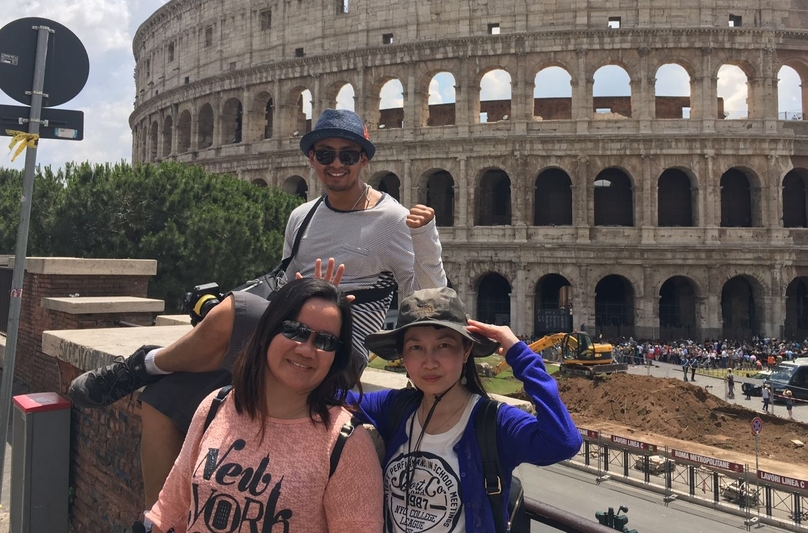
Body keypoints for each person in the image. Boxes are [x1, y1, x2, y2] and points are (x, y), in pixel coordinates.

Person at [69, 108, 446, 511]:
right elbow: (283, 286)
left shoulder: (391, 219)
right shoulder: (302, 216)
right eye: (326, 154)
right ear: (312, 159)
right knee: (162, 400)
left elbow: (431, 298)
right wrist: (306, 295)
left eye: (348, 155)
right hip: (287, 337)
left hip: (341, 349)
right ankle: (154, 520)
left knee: (236, 310)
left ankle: (143, 364)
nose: (337, 164)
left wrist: (424, 238)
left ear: (364, 160)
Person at [146, 278, 383, 532]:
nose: (306, 349)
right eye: (295, 330)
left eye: (325, 341)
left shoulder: (346, 445)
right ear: (268, 331)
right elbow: (171, 511)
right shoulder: (216, 407)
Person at [351, 286, 582, 531]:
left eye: (444, 346)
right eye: (416, 347)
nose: (430, 362)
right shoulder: (394, 407)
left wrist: (520, 354)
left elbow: (563, 442)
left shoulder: (494, 423)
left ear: (466, 351)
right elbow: (326, 397)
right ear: (403, 355)